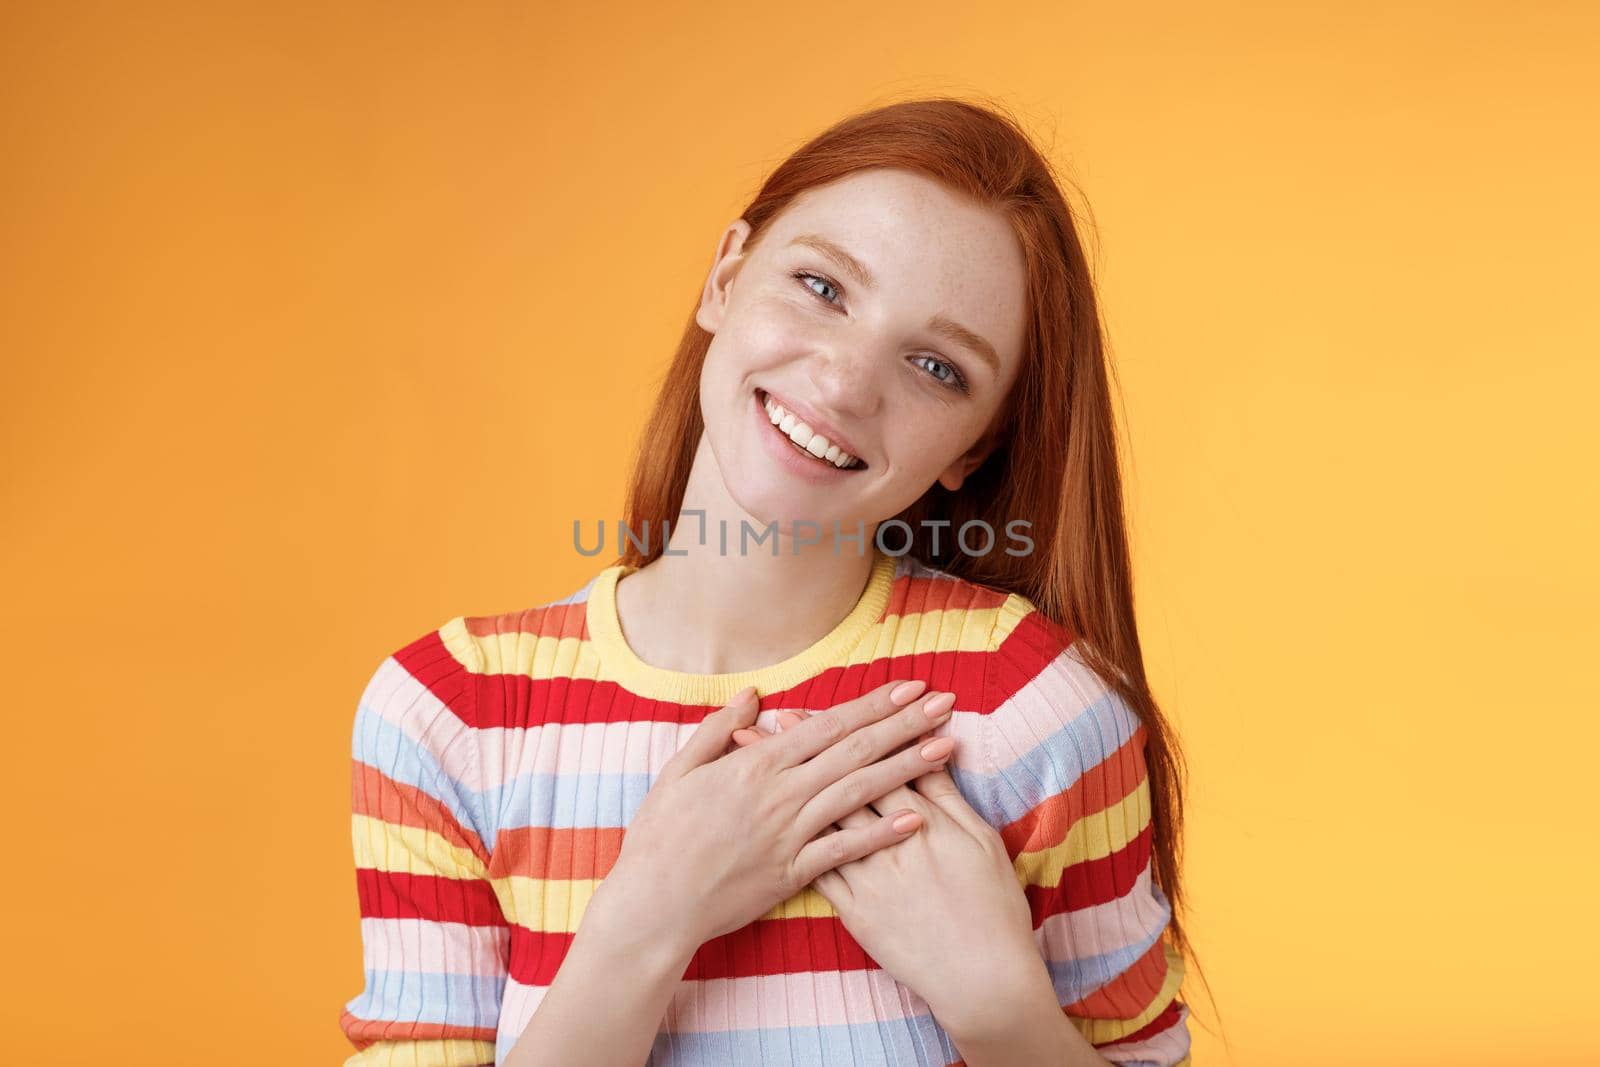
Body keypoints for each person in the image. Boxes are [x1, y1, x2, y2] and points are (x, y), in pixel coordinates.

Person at [339, 96, 1203, 1066]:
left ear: (976, 447)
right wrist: (644, 921)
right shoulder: (447, 714)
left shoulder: (1035, 708)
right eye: (822, 288)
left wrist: (1001, 1007)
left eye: (934, 365)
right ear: (723, 277)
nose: (842, 382)